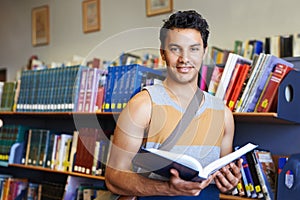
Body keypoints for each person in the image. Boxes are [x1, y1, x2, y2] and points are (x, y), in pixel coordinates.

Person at [105, 10, 242, 199]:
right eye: (175, 49)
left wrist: (230, 184)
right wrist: (167, 188)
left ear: (204, 51)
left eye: (193, 48)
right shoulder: (142, 106)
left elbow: (222, 178)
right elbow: (113, 178)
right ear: (163, 53)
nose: (184, 59)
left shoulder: (223, 114)